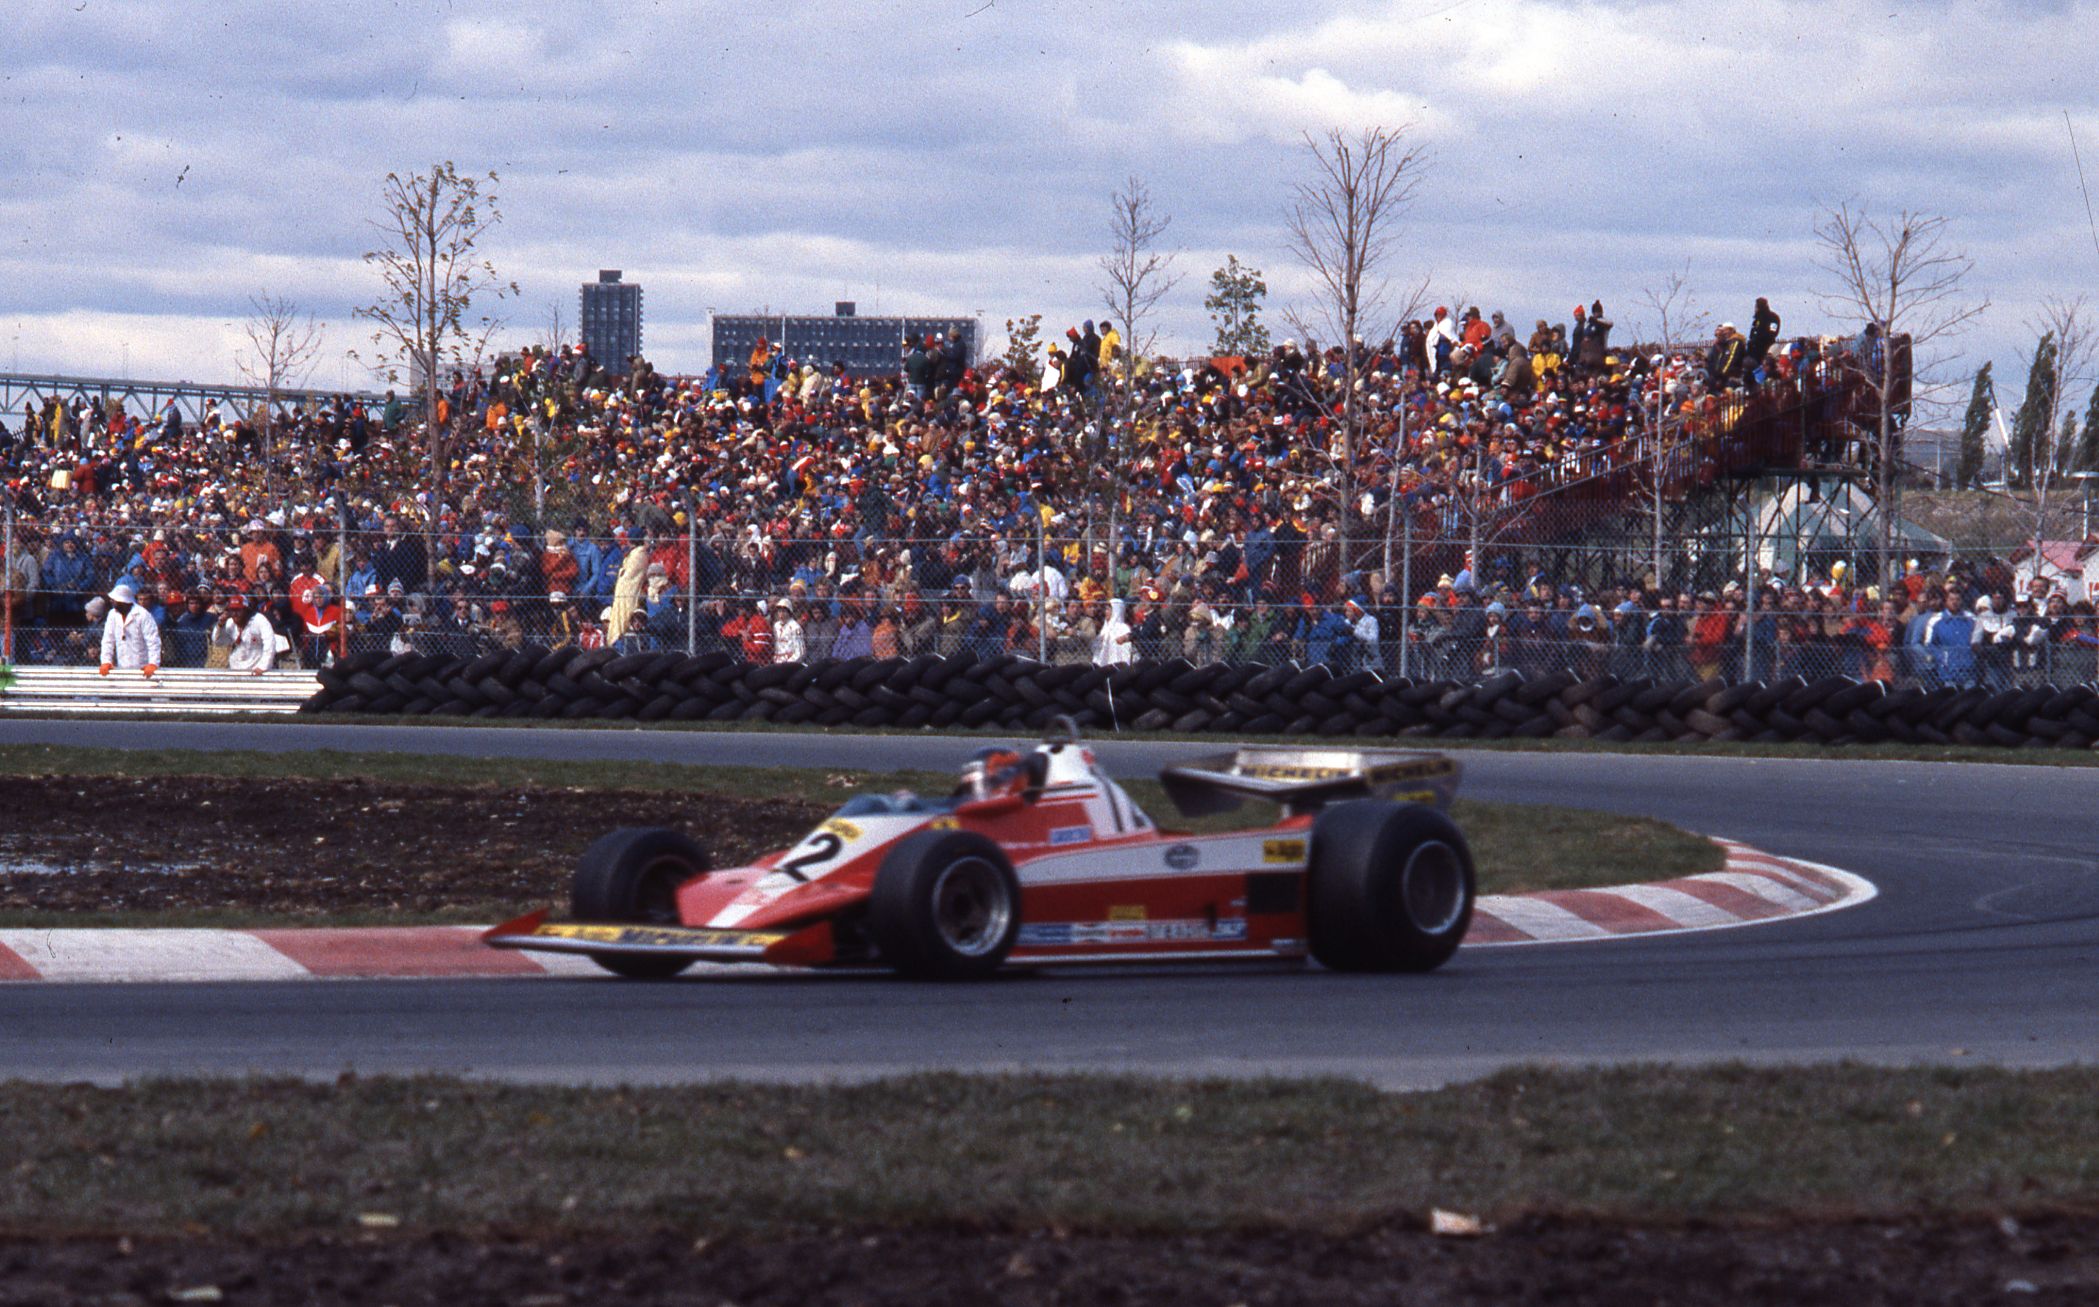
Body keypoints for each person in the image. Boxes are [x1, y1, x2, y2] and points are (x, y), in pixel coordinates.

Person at [98, 582, 161, 678]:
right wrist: (106, 661)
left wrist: (153, 663)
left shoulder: (143, 615)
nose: (111, 601)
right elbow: (108, 640)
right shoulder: (112, 614)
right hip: (122, 667)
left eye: (114, 600)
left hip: (143, 669)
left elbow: (153, 641)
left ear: (123, 601)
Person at [215, 590, 277, 674]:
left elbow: (270, 643)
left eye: (238, 610)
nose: (235, 614)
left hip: (256, 668)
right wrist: (220, 626)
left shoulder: (259, 620)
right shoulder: (230, 623)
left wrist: (263, 666)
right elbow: (219, 642)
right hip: (236, 667)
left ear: (246, 610)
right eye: (232, 610)